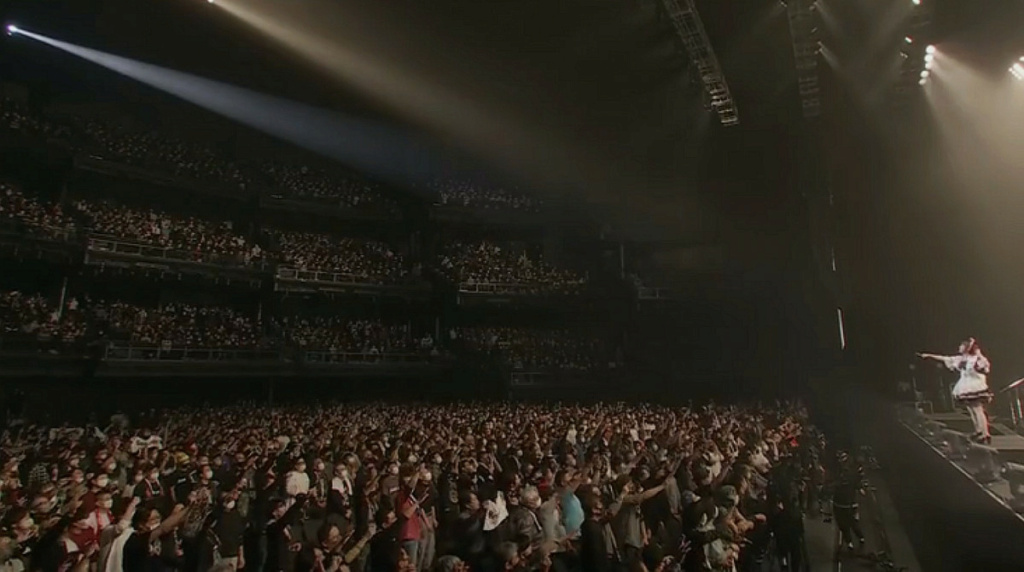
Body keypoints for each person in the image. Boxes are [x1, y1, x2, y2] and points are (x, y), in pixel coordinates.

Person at [918, 337, 994, 443]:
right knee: (971, 409)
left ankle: (985, 433)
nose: (959, 347)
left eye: (962, 345)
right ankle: (978, 431)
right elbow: (945, 358)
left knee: (978, 409)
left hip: (975, 384)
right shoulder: (960, 359)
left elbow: (985, 365)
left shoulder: (975, 358)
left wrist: (979, 354)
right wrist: (929, 355)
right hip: (966, 384)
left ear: (967, 348)